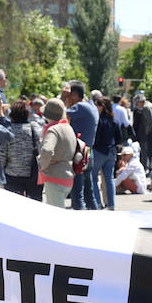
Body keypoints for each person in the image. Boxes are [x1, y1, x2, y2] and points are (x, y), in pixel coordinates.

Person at [0, 98, 43, 200]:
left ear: (12, 114)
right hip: (34, 174)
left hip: (12, 176)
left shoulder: (7, 131)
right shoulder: (35, 128)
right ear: (27, 114)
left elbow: (1, 156)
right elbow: (42, 148)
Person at [64, 81, 99, 209]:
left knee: (77, 195)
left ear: (73, 95)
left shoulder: (80, 107)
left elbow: (60, 115)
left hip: (78, 154)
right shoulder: (92, 106)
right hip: (89, 153)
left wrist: (64, 99)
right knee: (89, 193)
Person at [38, 98, 78, 207]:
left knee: (55, 217)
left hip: (54, 177)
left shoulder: (53, 130)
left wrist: (42, 165)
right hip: (68, 176)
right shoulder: (68, 128)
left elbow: (47, 150)